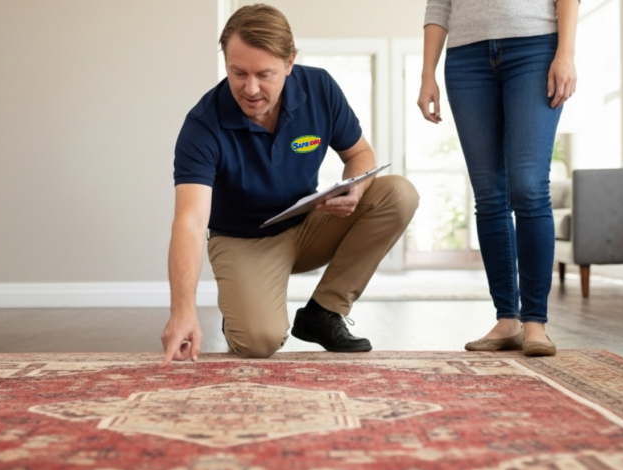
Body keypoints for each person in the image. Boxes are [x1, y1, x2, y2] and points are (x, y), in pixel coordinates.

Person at [161, 4, 419, 364]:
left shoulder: (320, 88)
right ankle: (242, 311)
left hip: (309, 224)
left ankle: (324, 312)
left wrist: (353, 189)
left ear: (289, 63)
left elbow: (360, 154)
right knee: (258, 342)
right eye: (238, 73)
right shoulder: (203, 125)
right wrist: (182, 310)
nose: (250, 89)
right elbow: (189, 221)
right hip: (244, 240)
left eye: (264, 74)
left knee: (398, 193)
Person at [419, 0, 579, 357]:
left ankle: (535, 322)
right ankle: (507, 319)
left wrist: (565, 52)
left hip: (535, 46)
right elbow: (438, 6)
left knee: (528, 186)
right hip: (464, 58)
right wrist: (427, 73)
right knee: (489, 195)